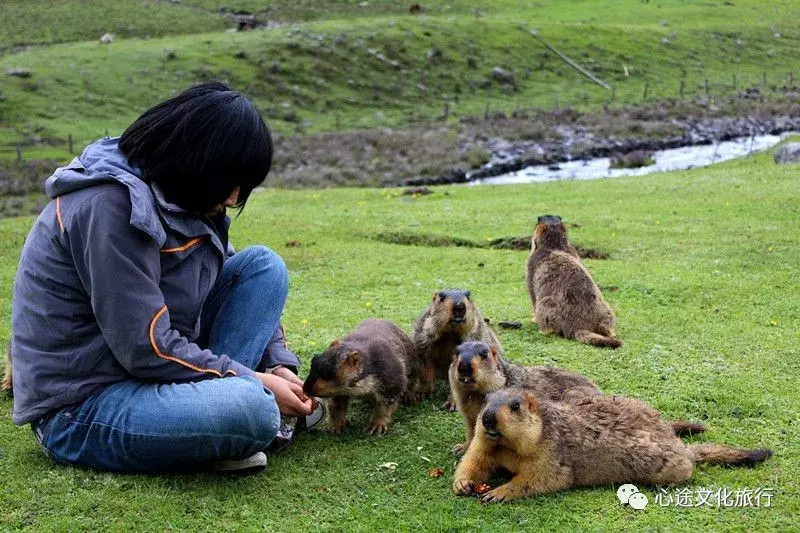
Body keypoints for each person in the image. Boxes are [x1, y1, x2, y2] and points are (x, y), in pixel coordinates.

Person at [9, 81, 318, 473]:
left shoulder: (183, 189)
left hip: (152, 379)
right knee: (253, 408)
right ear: (200, 160)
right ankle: (237, 420)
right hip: (85, 405)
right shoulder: (108, 207)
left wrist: (277, 366)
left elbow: (228, 275)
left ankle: (223, 420)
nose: (232, 199)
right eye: (232, 182)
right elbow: (144, 348)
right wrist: (253, 382)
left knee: (264, 266)